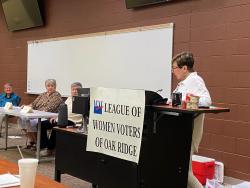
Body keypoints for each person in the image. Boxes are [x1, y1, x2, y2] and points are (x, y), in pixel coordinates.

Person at [171, 52, 212, 188]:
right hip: (180, 130)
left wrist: (186, 101)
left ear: (184, 68)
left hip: (189, 132)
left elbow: (207, 101)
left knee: (186, 173)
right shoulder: (183, 83)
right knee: (182, 171)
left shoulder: (195, 80)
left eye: (175, 68)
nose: (173, 71)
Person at [40, 82, 83, 156]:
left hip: (73, 121)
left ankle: (50, 149)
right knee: (41, 124)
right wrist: (56, 116)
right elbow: (63, 110)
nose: (75, 91)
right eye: (73, 89)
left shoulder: (82, 100)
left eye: (77, 89)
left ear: (81, 90)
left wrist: (59, 118)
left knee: (56, 127)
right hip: (62, 119)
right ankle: (44, 146)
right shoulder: (69, 98)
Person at [18, 79, 63, 149]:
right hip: (36, 114)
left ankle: (38, 143)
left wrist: (34, 111)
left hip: (47, 117)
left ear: (55, 87)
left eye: (52, 86)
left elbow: (49, 109)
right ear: (45, 86)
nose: (50, 87)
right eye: (48, 86)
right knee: (22, 119)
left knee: (32, 122)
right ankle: (32, 141)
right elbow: (33, 104)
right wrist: (27, 106)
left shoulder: (57, 96)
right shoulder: (42, 94)